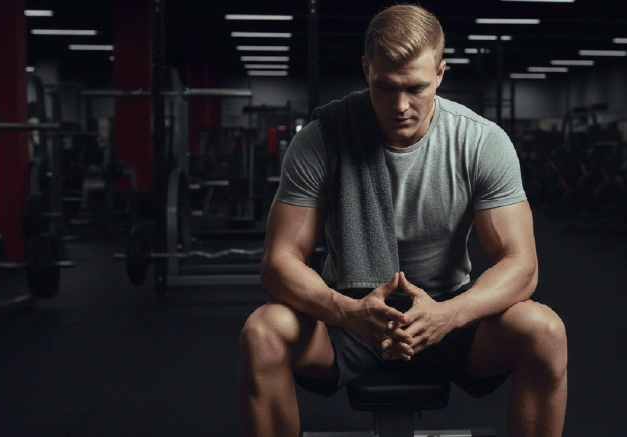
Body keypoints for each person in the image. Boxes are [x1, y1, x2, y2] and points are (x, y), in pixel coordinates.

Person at [238, 4, 567, 437]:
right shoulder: (322, 139)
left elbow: (521, 266)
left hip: (448, 317)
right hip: (351, 318)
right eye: (384, 88)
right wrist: (348, 312)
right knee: (262, 332)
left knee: (543, 331)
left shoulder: (481, 142)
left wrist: (450, 315)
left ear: (441, 75)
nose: (400, 106)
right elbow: (278, 263)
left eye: (415, 88)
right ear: (365, 71)